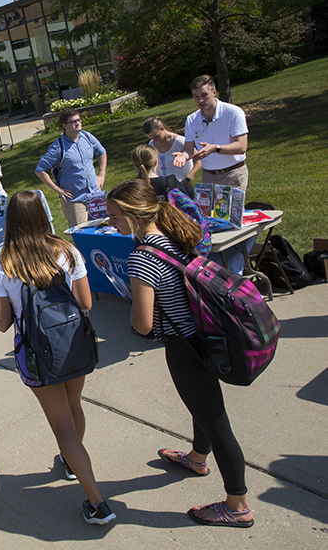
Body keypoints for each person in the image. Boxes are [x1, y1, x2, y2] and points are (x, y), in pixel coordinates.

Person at [107, 179, 253, 528]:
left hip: (184, 347)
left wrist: (133, 301)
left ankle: (238, 504)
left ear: (133, 215)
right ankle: (197, 457)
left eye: (114, 216)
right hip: (205, 336)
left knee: (218, 424)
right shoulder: (176, 235)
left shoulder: (143, 257)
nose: (110, 223)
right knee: (200, 405)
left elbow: (142, 325)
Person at [0, 190, 115, 525]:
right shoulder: (67, 251)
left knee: (61, 427)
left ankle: (98, 503)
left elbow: (2, 325)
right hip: (73, 344)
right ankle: (72, 464)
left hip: (36, 356)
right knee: (74, 408)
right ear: (43, 215)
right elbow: (85, 302)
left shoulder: (1, 265)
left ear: (10, 221)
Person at [173, 75, 249, 191]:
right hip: (208, 176)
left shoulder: (233, 113)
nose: (200, 100)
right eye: (196, 97)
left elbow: (241, 146)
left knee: (230, 210)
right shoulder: (192, 120)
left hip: (232, 173)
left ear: (214, 92)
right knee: (211, 210)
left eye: (204, 95)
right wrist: (184, 155)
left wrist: (215, 148)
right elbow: (188, 148)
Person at [35, 108, 107, 228]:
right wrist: (58, 189)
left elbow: (102, 152)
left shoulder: (87, 137)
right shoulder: (58, 147)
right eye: (73, 121)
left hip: (95, 196)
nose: (78, 123)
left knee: (102, 231)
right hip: (75, 200)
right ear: (64, 125)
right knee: (81, 236)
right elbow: (40, 170)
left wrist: (102, 174)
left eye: (79, 120)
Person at [143, 117, 197, 188]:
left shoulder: (179, 141)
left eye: (156, 136)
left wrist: (188, 179)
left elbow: (199, 160)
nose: (155, 140)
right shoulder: (152, 144)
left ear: (162, 128)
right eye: (151, 138)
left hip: (181, 185)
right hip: (164, 185)